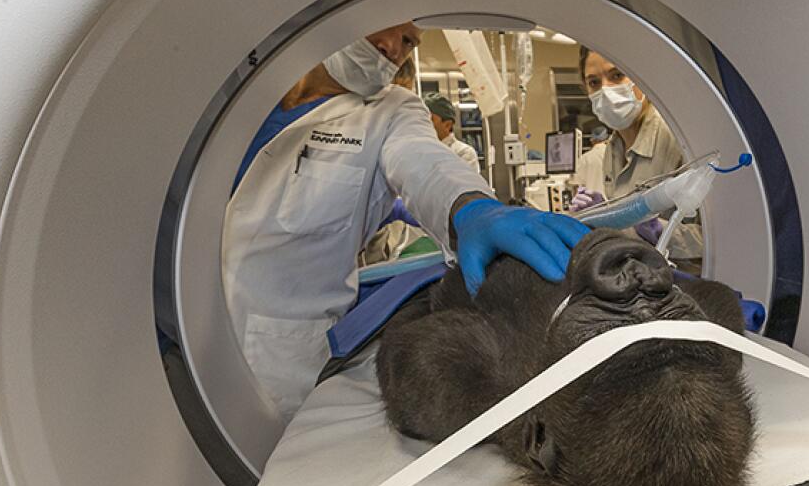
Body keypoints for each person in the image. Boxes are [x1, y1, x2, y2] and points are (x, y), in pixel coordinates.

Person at [223, 22, 588, 419]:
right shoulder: (230, 88)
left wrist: (471, 207)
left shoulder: (392, 111)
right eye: (381, 26)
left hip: (276, 359)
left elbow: (422, 162)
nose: (391, 47)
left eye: (410, 41)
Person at [570, 46, 702, 261]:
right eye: (594, 82)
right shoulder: (612, 150)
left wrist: (661, 232)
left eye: (617, 76)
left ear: (641, 78)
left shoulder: (679, 140)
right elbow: (630, 232)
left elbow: (718, 237)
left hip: (684, 282)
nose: (605, 90)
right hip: (639, 276)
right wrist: (603, 216)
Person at [423, 92, 481, 170]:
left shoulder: (464, 153)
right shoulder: (419, 150)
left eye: (430, 119)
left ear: (447, 125)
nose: (423, 123)